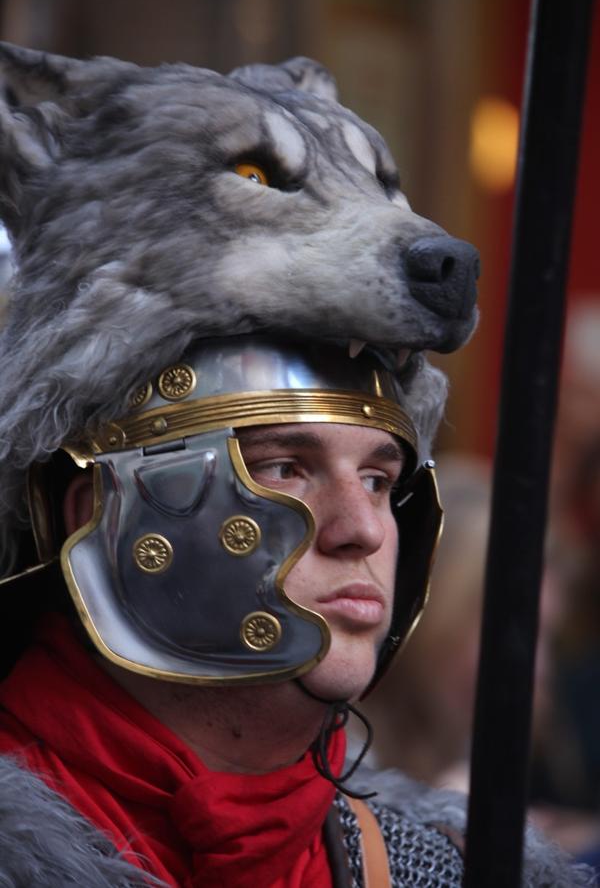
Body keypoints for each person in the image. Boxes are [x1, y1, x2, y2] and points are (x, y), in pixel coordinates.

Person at [0, 336, 593, 887]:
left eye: (377, 480)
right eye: (283, 468)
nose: (361, 530)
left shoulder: (437, 867)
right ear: (102, 516)